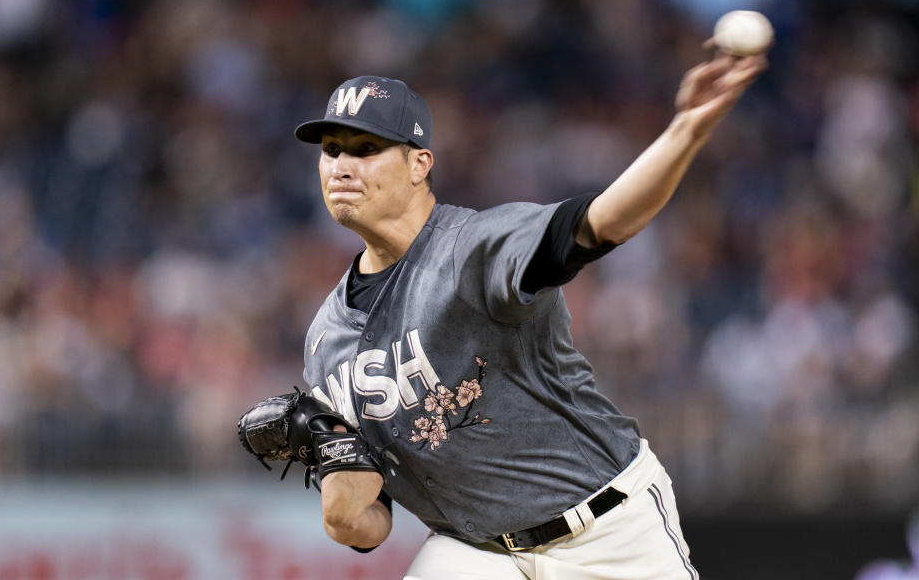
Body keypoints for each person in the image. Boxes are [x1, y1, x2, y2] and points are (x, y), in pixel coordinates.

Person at [288, 48, 766, 579]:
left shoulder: (474, 249)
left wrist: (686, 132)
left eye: (366, 148)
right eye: (332, 150)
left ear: (419, 162)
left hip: (604, 530)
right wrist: (330, 460)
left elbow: (600, 222)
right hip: (476, 551)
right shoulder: (326, 339)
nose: (342, 166)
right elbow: (366, 526)